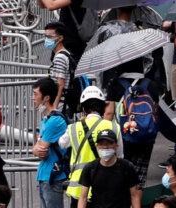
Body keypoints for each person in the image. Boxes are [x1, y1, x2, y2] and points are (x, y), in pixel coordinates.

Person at [61, 85, 123, 206]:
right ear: (102, 107)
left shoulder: (73, 128)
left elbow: (62, 143)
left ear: (83, 107)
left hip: (79, 189)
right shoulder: (114, 126)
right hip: (107, 185)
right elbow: (120, 155)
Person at [76, 129, 141, 208]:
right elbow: (83, 197)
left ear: (116, 146)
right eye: (101, 144)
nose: (105, 147)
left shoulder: (127, 167)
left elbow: (134, 196)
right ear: (97, 146)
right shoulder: (90, 168)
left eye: (109, 143)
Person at [32, 77, 69, 208]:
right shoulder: (46, 119)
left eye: (36, 94)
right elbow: (36, 149)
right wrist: (36, 148)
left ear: (46, 98)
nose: (33, 97)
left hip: (53, 176)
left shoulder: (55, 121)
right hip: (45, 175)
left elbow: (41, 149)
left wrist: (37, 147)